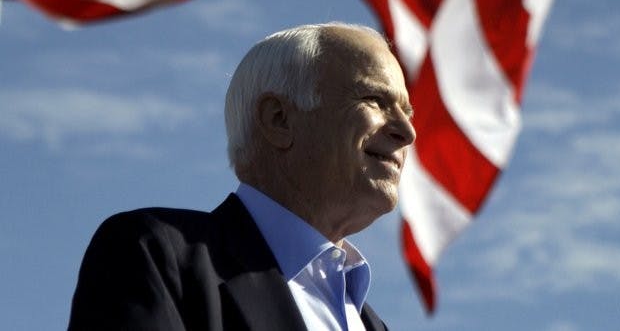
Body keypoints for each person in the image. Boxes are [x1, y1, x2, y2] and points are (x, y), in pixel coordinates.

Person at [68, 22, 416, 331]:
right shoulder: (155, 257)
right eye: (375, 100)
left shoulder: (372, 323)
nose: (407, 132)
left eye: (407, 111)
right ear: (278, 119)